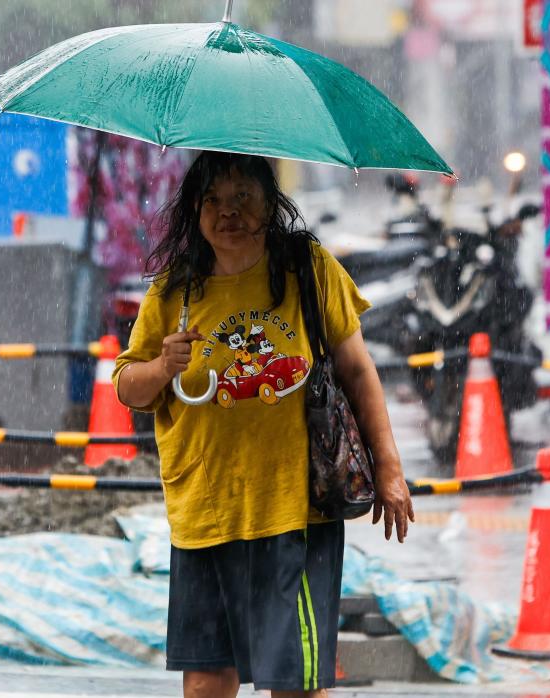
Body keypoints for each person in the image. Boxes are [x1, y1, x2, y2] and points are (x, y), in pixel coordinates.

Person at [113, 152, 413, 697]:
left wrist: (389, 469)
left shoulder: (307, 269)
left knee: (292, 684)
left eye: (242, 197)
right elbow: (127, 387)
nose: (227, 212)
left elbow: (356, 370)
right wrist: (162, 366)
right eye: (212, 200)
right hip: (204, 511)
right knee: (206, 683)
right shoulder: (174, 290)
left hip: (293, 513)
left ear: (269, 202)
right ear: (193, 210)